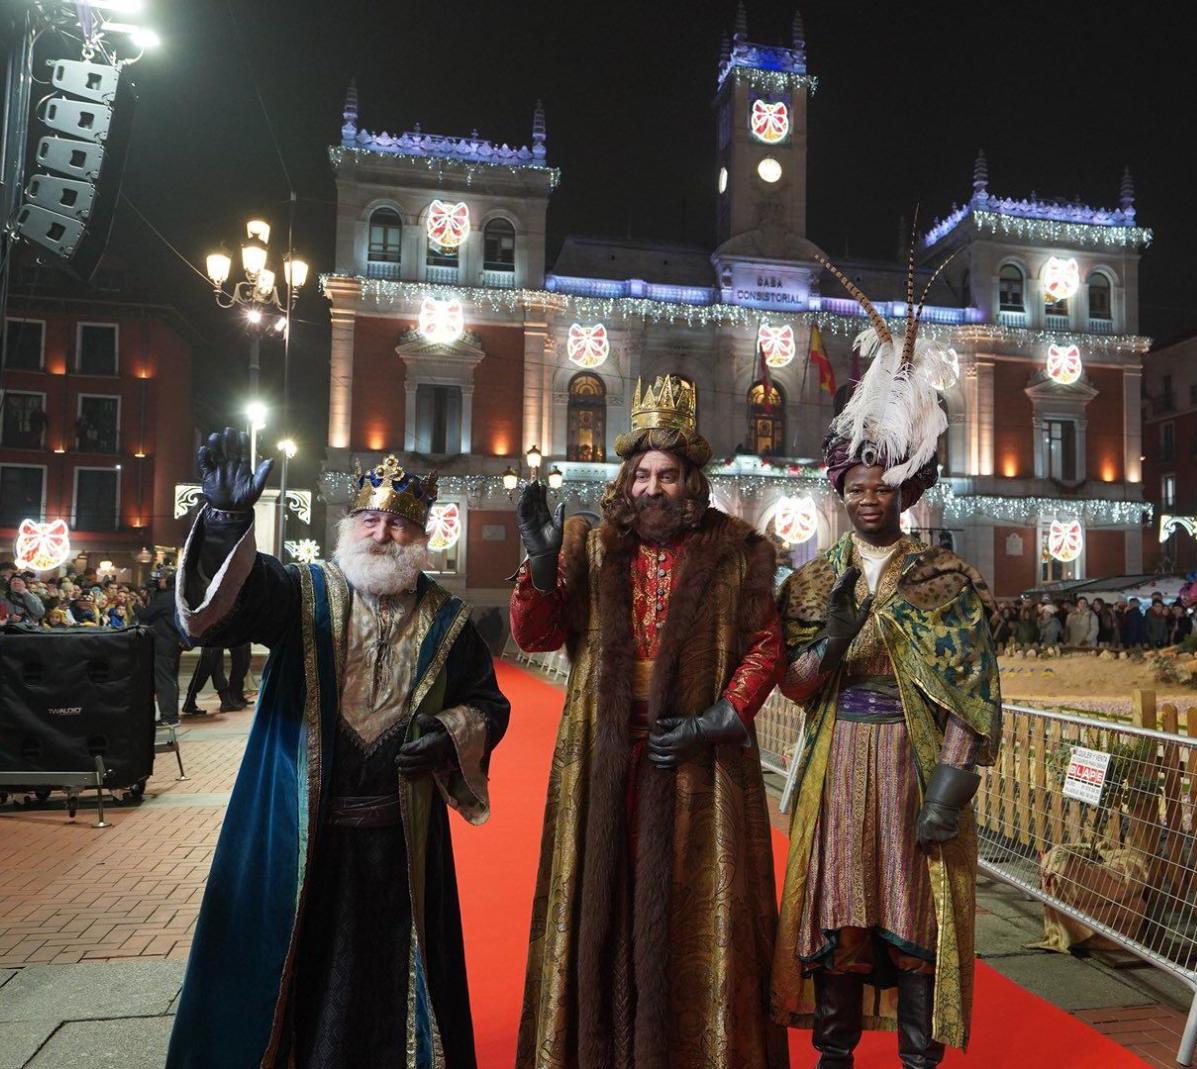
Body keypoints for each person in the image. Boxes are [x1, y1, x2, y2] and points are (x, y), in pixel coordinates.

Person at [166, 433, 510, 1069]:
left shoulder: (450, 620)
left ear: (423, 536)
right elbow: (222, 614)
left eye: (402, 524)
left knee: (389, 981)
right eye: (372, 519)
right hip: (301, 835)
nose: (384, 534)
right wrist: (223, 521)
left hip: (399, 842)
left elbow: (489, 706)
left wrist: (447, 734)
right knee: (294, 967)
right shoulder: (301, 593)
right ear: (349, 526)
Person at [511, 377, 788, 1069]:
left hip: (698, 761)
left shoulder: (739, 550)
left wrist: (722, 715)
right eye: (641, 474)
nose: (652, 488)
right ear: (625, 479)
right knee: (601, 905)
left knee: (696, 913)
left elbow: (766, 641)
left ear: (691, 480)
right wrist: (542, 564)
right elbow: (537, 634)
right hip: (602, 758)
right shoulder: (593, 547)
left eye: (667, 475)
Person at [771, 286, 1002, 1067]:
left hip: (912, 766)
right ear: (837, 493)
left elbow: (972, 690)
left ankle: (916, 1059)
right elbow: (795, 687)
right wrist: (831, 643)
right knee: (839, 921)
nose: (868, 498)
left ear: (905, 486)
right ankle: (833, 1056)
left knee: (915, 925)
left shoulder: (945, 576)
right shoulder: (809, 585)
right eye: (855, 488)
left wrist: (949, 784)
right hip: (836, 764)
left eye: (881, 486)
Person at [138, 569, 182, 726]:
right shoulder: (176, 596)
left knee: (164, 680)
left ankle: (169, 717)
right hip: (173, 643)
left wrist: (137, 604)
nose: (158, 581)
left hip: (163, 643)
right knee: (170, 679)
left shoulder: (165, 597)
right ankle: (171, 715)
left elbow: (145, 615)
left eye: (161, 579)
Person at [181, 646, 229, 716]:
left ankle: (225, 700)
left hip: (217, 640)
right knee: (204, 668)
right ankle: (189, 701)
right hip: (209, 640)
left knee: (217, 668)